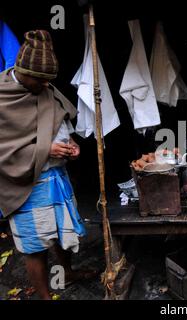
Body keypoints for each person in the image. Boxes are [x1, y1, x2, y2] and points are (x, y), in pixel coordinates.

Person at [0, 30, 97, 300]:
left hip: (56, 175)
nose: (45, 86)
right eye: (40, 80)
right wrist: (46, 149)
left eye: (47, 81)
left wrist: (72, 144)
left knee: (59, 232)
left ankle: (67, 273)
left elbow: (60, 122)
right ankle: (44, 296)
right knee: (35, 244)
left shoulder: (45, 88)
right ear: (23, 71)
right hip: (24, 183)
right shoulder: (2, 98)